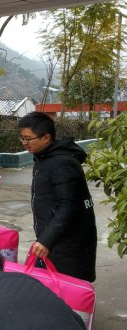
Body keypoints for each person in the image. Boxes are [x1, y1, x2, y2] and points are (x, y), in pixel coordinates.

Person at [18, 111, 97, 282]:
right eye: (22, 138)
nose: (24, 143)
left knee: (67, 287)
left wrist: (46, 240)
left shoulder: (63, 164)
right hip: (55, 238)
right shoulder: (43, 158)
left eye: (28, 138)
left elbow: (68, 207)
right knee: (50, 285)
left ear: (46, 138)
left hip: (69, 242)